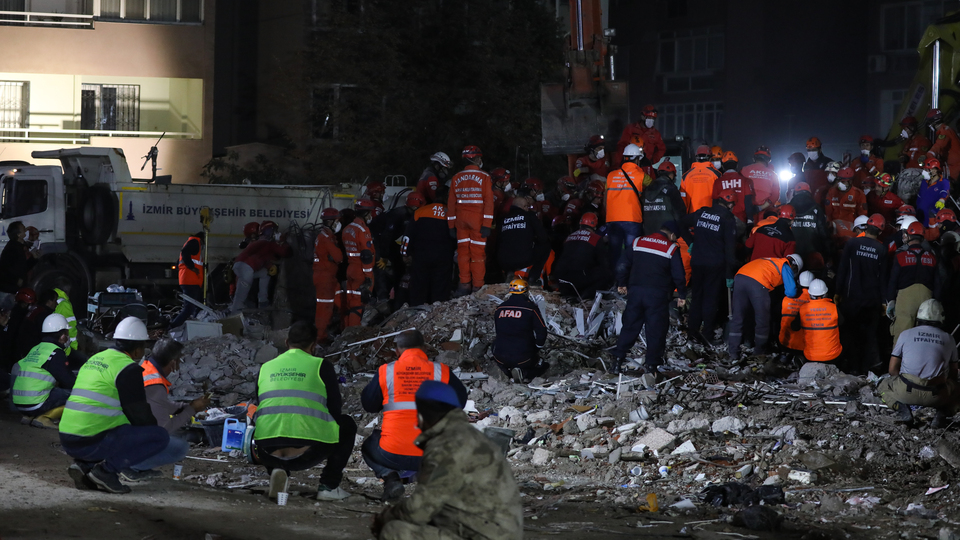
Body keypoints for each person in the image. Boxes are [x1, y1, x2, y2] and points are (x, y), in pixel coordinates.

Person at [371, 380, 523, 540]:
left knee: (394, 530)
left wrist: (385, 517)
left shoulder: (445, 445)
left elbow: (420, 510)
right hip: (496, 529)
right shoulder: (471, 437)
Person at [59, 317, 189, 493]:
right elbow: (139, 415)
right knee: (159, 436)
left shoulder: (96, 359)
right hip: (89, 440)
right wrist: (153, 433)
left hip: (68, 437)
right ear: (137, 350)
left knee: (119, 422)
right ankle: (106, 471)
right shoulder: (127, 368)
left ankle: (85, 465)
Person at [251, 321, 357, 501]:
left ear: (286, 343)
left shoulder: (266, 367)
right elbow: (335, 410)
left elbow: (259, 405)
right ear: (313, 345)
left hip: (265, 451)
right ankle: (329, 486)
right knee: (347, 425)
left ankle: (278, 470)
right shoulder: (321, 366)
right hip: (307, 454)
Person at [360, 330, 467, 502]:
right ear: (424, 348)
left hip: (391, 453)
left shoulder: (386, 372)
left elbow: (369, 405)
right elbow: (460, 403)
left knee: (368, 446)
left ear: (397, 351)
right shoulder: (441, 372)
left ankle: (389, 477)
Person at [612, 221, 687, 375]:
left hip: (636, 292)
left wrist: (622, 282)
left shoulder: (638, 241)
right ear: (672, 235)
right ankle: (651, 367)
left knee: (629, 327)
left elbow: (622, 264)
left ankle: (617, 361)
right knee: (656, 331)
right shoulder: (671, 248)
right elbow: (679, 275)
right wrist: (682, 294)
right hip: (657, 296)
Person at [878, 299, 959, 426]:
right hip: (937, 395)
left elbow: (892, 369)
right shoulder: (949, 338)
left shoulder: (906, 334)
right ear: (941, 317)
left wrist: (901, 383)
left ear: (919, 316)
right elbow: (954, 373)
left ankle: (901, 408)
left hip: (906, 391)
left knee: (882, 385)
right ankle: (944, 413)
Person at [835, 214, 887, 374]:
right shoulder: (881, 249)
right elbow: (883, 277)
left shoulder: (852, 243)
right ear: (880, 230)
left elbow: (842, 269)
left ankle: (851, 368)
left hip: (851, 298)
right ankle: (865, 369)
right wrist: (884, 301)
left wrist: (838, 291)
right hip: (872, 301)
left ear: (866, 226)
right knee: (868, 336)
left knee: (850, 333)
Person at [685, 190, 738, 347]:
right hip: (715, 265)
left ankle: (692, 333)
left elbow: (680, 223)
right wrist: (730, 273)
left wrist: (691, 242)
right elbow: (730, 249)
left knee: (696, 298)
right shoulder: (727, 219)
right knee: (710, 300)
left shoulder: (702, 212)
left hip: (697, 261)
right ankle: (707, 335)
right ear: (729, 204)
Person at [727, 254, 803, 360]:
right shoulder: (785, 265)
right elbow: (791, 291)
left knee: (738, 317)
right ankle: (759, 352)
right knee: (762, 319)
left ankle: (733, 353)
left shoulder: (770, 260)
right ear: (795, 267)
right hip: (758, 282)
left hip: (740, 277)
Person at [11, 314, 76, 428]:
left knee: (53, 389)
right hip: (35, 403)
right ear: (61, 336)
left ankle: (29, 416)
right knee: (77, 395)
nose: (67, 337)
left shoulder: (36, 348)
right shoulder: (55, 352)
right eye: (66, 333)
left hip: (19, 402)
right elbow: (69, 382)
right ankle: (45, 417)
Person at [448, 145, 494, 296]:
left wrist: (451, 225)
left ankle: (464, 284)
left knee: (462, 253)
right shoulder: (484, 177)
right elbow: (488, 202)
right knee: (477, 254)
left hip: (461, 221)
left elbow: (451, 203)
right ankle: (478, 286)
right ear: (476, 159)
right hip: (478, 221)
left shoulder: (456, 178)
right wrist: (487, 224)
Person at [140, 338, 210, 433]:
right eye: (179, 360)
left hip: (129, 424)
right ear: (173, 362)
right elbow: (166, 429)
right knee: (180, 446)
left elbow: (159, 404)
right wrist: (192, 409)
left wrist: (185, 406)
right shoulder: (155, 385)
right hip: (134, 432)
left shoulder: (145, 367)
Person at [888, 220, 940, 344]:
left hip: (905, 298)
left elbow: (893, 280)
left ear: (909, 236)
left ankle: (899, 363)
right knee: (924, 335)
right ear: (922, 238)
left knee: (902, 334)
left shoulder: (901, 256)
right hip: (926, 298)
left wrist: (890, 300)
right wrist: (937, 301)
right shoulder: (931, 257)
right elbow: (937, 282)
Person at [405, 189, 456, 306]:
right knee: (440, 288)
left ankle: (417, 313)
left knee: (419, 286)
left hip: (421, 256)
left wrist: (405, 253)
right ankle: (436, 315)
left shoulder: (420, 212)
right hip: (443, 257)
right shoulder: (452, 214)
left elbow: (407, 237)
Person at [605, 143, 646, 284]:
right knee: (631, 253)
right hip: (632, 219)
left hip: (613, 219)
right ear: (637, 159)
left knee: (614, 254)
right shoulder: (642, 176)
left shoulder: (611, 176)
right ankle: (630, 283)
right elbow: (651, 189)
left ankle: (616, 283)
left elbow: (605, 199)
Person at [492, 279, 549, 383]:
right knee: (543, 365)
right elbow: (542, 331)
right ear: (526, 291)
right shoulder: (530, 308)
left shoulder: (500, 308)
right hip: (523, 358)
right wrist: (537, 347)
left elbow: (498, 331)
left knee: (496, 344)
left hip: (500, 356)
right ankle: (525, 374)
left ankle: (506, 371)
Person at [229, 223, 291, 313]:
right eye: (275, 231)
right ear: (270, 232)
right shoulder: (268, 243)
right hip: (247, 268)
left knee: (265, 273)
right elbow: (285, 253)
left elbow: (262, 257)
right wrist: (283, 241)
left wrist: (269, 265)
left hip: (241, 267)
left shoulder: (259, 242)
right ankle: (233, 320)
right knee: (239, 300)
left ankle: (263, 301)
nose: (277, 233)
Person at [551, 212, 611, 299]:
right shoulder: (596, 239)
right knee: (605, 273)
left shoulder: (569, 237)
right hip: (579, 278)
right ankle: (585, 297)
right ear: (595, 226)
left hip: (561, 277)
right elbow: (604, 263)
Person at [498, 196, 551, 285]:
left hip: (503, 262)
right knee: (546, 245)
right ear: (523, 207)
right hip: (523, 260)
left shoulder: (503, 219)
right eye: (526, 206)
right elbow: (543, 237)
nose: (528, 208)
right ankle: (533, 277)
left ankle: (507, 273)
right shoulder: (529, 216)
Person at [343, 199, 378, 327]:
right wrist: (368, 276)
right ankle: (353, 333)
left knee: (350, 303)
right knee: (359, 304)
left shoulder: (347, 229)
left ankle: (345, 331)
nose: (371, 216)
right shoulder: (362, 230)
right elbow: (366, 254)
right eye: (370, 213)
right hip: (361, 271)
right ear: (365, 213)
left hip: (350, 269)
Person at [790, 279, 842, 364]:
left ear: (810, 294)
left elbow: (794, 327)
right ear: (825, 293)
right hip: (833, 356)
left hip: (810, 357)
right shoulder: (834, 308)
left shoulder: (803, 309)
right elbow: (842, 323)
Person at [313, 208, 343, 344]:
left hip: (329, 277)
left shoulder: (326, 235)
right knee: (324, 308)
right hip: (324, 278)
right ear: (331, 221)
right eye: (337, 220)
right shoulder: (325, 238)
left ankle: (338, 329)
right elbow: (339, 257)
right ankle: (320, 338)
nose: (338, 223)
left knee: (339, 302)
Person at [169, 231, 205, 329]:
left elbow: (178, 263)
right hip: (191, 280)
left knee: (195, 306)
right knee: (189, 308)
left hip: (189, 280)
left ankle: (196, 326)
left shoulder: (190, 242)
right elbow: (185, 253)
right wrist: (192, 267)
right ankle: (172, 327)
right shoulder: (195, 242)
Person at [642, 160, 687, 237]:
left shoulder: (646, 190)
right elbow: (679, 212)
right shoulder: (671, 189)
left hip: (649, 232)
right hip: (667, 233)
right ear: (672, 175)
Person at [789, 182, 830, 267]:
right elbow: (823, 233)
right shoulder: (817, 208)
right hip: (813, 254)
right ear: (809, 193)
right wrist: (828, 255)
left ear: (795, 193)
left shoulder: (787, 208)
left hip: (792, 254)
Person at [712, 151, 755, 225]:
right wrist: (750, 220)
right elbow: (748, 202)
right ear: (736, 165)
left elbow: (714, 203)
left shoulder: (717, 182)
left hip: (722, 219)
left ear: (723, 166)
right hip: (740, 219)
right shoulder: (746, 181)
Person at [779, 271, 814, 357]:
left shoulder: (787, 298)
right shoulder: (814, 301)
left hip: (784, 343)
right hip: (804, 347)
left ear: (798, 281)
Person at [0, 221, 38, 300]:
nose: (26, 230)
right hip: (10, 289)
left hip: (11, 287)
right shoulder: (14, 249)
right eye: (24, 229)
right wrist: (18, 280)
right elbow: (16, 268)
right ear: (19, 235)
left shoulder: (17, 245)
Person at [17, 288, 58, 360]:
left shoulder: (35, 309)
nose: (56, 304)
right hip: (32, 352)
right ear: (49, 302)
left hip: (23, 348)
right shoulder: (43, 315)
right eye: (55, 301)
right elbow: (45, 337)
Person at [741, 146, 779, 222]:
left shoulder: (744, 170)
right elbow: (775, 196)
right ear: (768, 159)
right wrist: (760, 208)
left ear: (755, 157)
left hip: (744, 212)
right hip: (764, 214)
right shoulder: (773, 175)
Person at [53, 282, 87, 370]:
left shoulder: (54, 298)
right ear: (67, 290)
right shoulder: (64, 303)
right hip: (64, 348)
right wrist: (74, 347)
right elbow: (71, 326)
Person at [680, 145, 722, 214]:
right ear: (710, 158)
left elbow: (682, 200)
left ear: (697, 158)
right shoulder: (716, 175)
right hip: (711, 218)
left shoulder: (686, 176)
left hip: (693, 217)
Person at [926, 108, 960, 181]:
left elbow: (938, 146)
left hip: (955, 168)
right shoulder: (946, 130)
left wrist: (929, 155)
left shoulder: (944, 132)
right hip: (953, 166)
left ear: (933, 122)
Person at [917, 158, 951, 225]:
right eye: (924, 169)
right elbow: (919, 197)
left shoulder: (943, 182)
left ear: (935, 171)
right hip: (920, 216)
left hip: (932, 218)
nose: (924, 172)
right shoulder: (924, 182)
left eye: (926, 170)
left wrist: (942, 200)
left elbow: (944, 192)